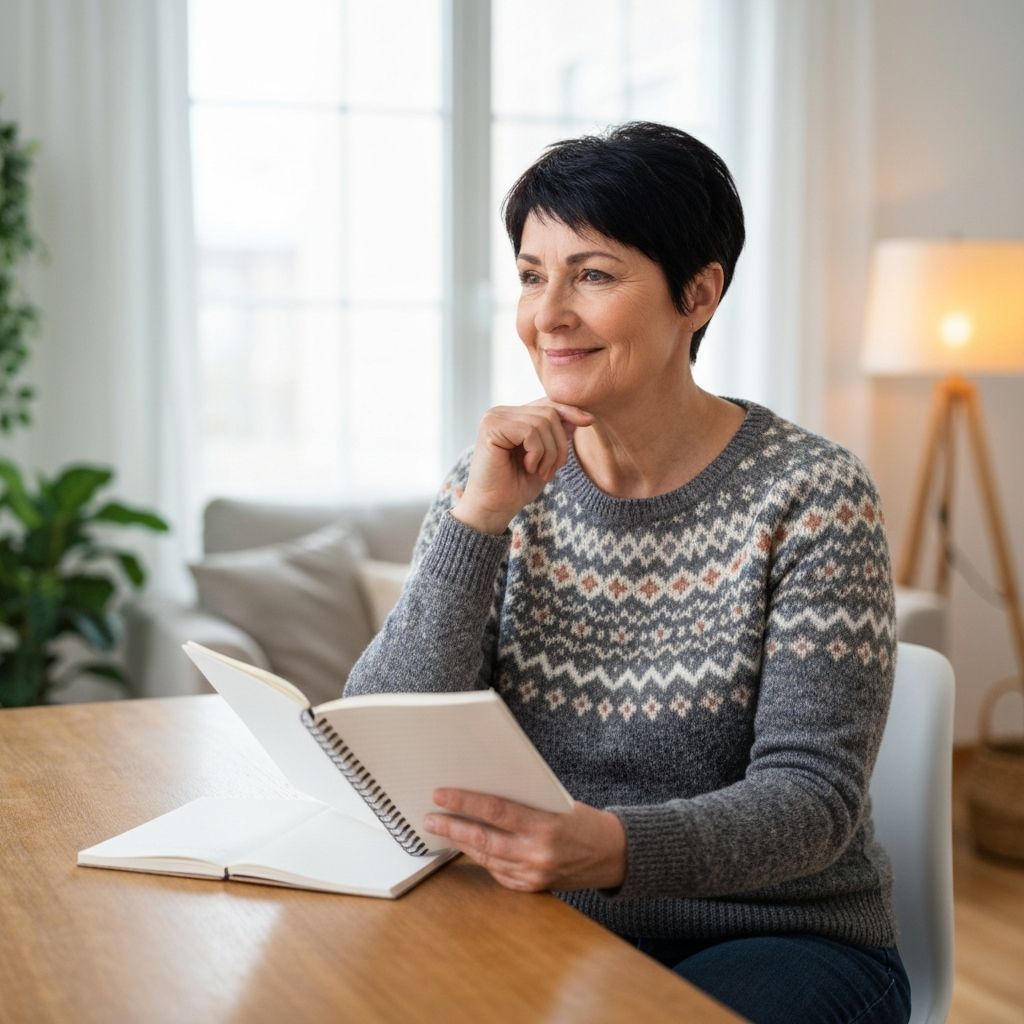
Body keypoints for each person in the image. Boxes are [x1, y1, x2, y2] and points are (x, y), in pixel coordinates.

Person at [344, 121, 911, 1024]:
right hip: (543, 921)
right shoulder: (494, 483)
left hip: (778, 935)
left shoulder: (812, 495)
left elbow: (813, 802)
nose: (548, 315)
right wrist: (476, 526)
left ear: (699, 293)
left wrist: (610, 848)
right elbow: (379, 735)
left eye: (594, 275)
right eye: (532, 275)